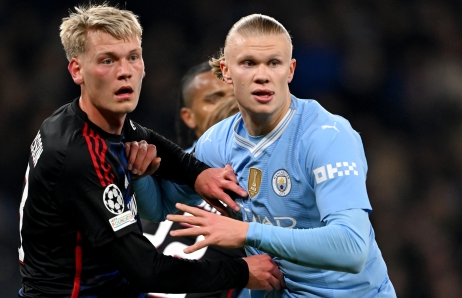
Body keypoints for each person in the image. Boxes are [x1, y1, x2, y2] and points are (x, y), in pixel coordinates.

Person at [17, 5, 285, 297]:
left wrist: (198, 175)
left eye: (133, 57)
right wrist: (243, 272)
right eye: (107, 60)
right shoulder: (80, 156)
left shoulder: (81, 120)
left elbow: (145, 136)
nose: (124, 72)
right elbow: (147, 270)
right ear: (77, 70)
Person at [142, 14, 397, 297]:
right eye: (248, 63)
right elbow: (159, 207)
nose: (262, 75)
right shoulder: (218, 142)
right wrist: (139, 169)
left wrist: (246, 232)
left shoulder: (326, 135)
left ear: (290, 70)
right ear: (226, 71)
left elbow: (352, 248)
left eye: (273, 63)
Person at [141, 64, 246, 298]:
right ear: (188, 116)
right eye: (214, 98)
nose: (229, 106)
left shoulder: (265, 176)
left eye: (235, 96)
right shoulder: (155, 173)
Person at [178, 62, 235, 150]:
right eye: (214, 99)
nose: (231, 103)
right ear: (189, 117)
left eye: (237, 96)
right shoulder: (179, 164)